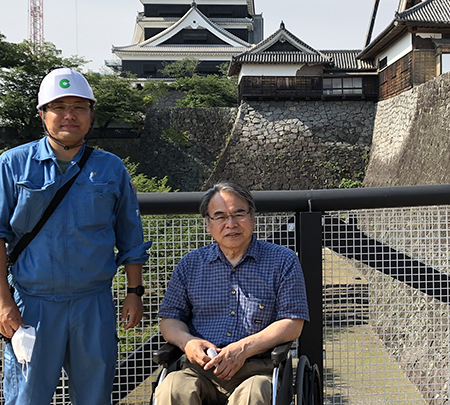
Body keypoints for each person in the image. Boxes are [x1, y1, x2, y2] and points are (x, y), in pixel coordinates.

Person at [0, 68, 151, 405]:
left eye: (80, 107)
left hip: (93, 303)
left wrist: (134, 292)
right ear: (42, 114)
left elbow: (130, 235)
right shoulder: (12, 165)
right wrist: (3, 302)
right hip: (31, 304)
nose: (69, 115)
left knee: (95, 396)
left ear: (91, 115)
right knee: (27, 397)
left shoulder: (111, 168)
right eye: (59, 106)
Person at [154, 181, 309, 404]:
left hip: (257, 368)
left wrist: (242, 349)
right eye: (220, 216)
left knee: (254, 394)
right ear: (208, 224)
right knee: (172, 389)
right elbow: (170, 320)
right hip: (200, 368)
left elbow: (293, 322)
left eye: (239, 214)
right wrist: (188, 342)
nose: (231, 224)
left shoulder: (283, 260)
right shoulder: (190, 264)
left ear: (253, 218)